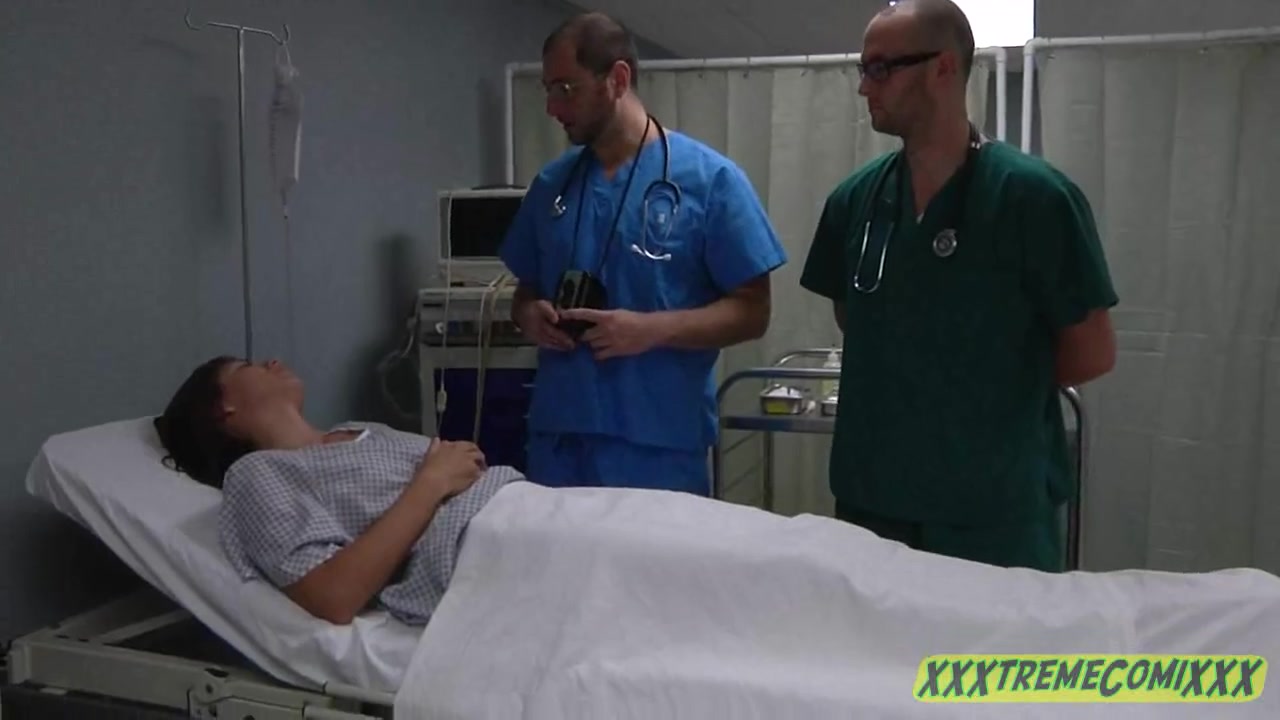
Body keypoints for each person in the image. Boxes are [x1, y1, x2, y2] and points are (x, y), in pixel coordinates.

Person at [799, 0, 1118, 572]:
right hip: (873, 503)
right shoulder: (855, 202)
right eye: (863, 69)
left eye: (881, 68)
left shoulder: (1034, 199)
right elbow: (856, 318)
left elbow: (1092, 351)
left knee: (995, 633)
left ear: (943, 68)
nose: (864, 87)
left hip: (993, 512)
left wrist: (978, 387)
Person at [500, 12, 787, 496]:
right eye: (547, 90)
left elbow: (753, 311)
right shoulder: (552, 186)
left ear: (617, 79)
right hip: (559, 444)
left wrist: (651, 330)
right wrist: (528, 314)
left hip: (658, 449)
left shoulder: (711, 182)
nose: (552, 106)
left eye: (565, 88)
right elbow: (524, 290)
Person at [152, 355, 521, 626]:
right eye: (247, 365)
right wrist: (432, 482)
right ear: (223, 408)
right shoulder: (257, 474)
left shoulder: (364, 430)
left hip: (520, 505)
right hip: (487, 548)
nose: (272, 361)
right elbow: (333, 596)